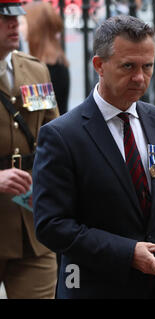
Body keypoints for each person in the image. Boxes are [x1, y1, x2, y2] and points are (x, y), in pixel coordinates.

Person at [32, 15, 155, 299]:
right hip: (95, 288)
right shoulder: (62, 135)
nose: (140, 78)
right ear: (99, 66)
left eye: (148, 66)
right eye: (128, 66)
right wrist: (128, 252)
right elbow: (51, 225)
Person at [0, 0, 59, 299]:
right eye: (2, 17)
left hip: (31, 230)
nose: (13, 23)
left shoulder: (36, 71)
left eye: (15, 17)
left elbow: (56, 141)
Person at [21, 1, 70, 115]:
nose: (19, 28)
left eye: (23, 23)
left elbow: (37, 116)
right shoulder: (54, 62)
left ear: (35, 27)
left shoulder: (50, 67)